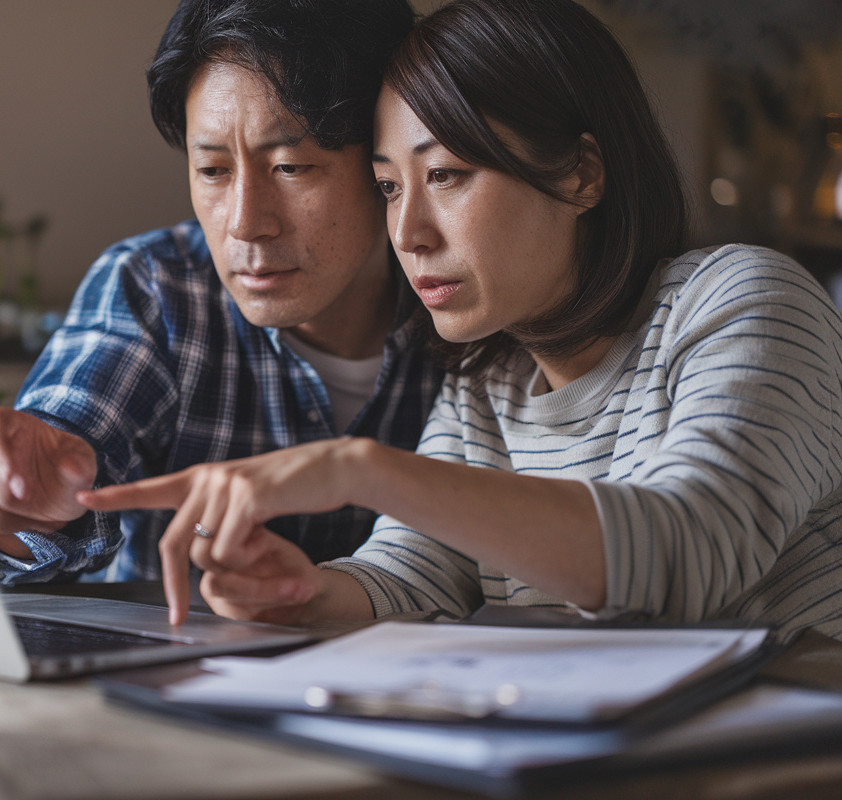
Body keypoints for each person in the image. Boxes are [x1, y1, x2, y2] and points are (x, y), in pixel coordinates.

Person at [83, 0, 842, 638]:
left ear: (581, 173)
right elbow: (414, 574)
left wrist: (359, 468)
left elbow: (689, 553)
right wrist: (301, 593)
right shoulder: (489, 379)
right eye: (388, 187)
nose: (408, 233)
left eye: (445, 174)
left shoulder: (745, 298)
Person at [0, 0, 443, 586]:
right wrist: (20, 499)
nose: (244, 223)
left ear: (384, 162)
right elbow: (67, 432)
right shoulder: (157, 288)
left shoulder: (461, 305)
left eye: (290, 167)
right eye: (213, 171)